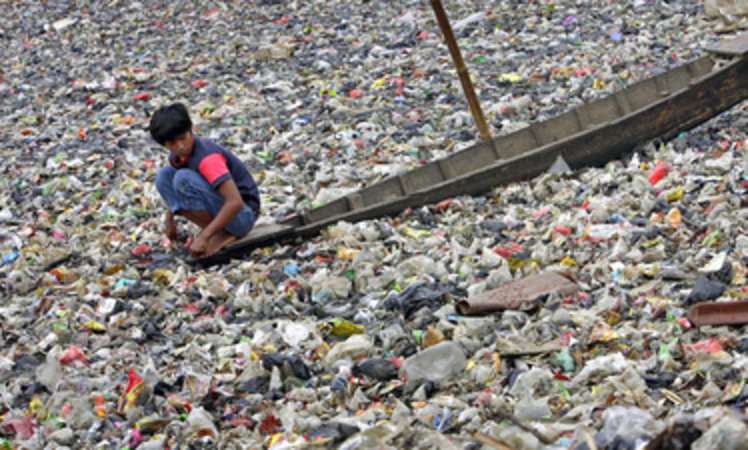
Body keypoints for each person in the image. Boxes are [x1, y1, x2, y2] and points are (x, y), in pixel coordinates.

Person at [149, 103, 260, 257]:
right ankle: (217, 231)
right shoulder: (177, 156)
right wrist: (169, 220)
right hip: (225, 211)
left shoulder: (208, 158)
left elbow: (235, 202)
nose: (180, 146)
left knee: (183, 178)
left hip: (243, 217)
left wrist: (204, 236)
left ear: (190, 130)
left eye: (183, 138)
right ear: (164, 144)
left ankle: (220, 233)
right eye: (173, 143)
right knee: (164, 176)